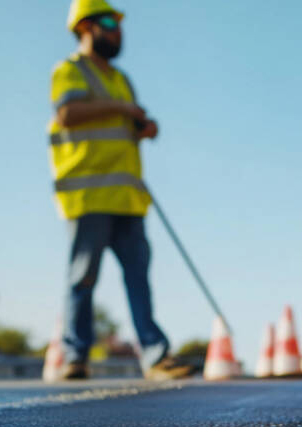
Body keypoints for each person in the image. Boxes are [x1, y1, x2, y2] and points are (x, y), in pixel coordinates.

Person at [48, 0, 192, 380]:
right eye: (110, 23)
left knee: (139, 278)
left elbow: (122, 125)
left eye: (119, 25)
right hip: (89, 194)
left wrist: (145, 126)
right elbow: (66, 114)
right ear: (85, 27)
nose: (118, 32)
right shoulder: (69, 71)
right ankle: (75, 357)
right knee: (82, 278)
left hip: (127, 196)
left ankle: (155, 356)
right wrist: (123, 109)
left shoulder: (121, 79)